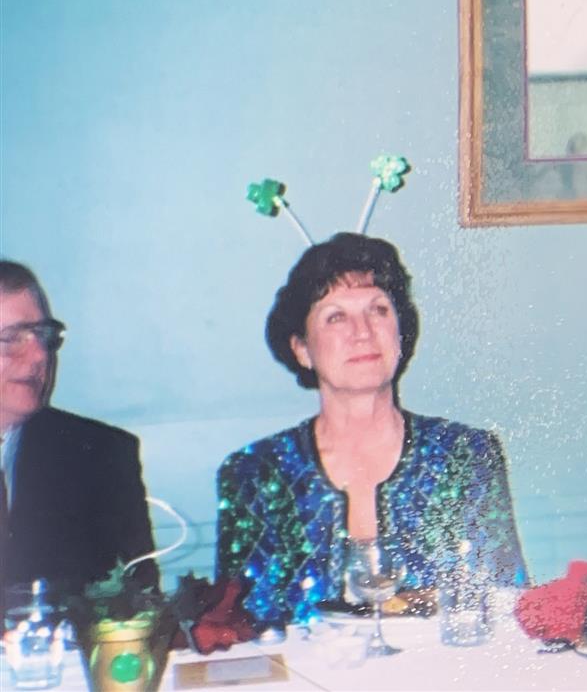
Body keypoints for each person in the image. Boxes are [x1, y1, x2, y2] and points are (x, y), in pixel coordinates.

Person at [216, 234, 526, 624]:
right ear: (302, 349)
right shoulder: (256, 473)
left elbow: (505, 602)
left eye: (378, 310)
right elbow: (235, 629)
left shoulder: (465, 455)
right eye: (335, 317)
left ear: (400, 333)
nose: (362, 331)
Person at [0, 261, 157, 596]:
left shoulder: (101, 455)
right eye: (12, 339)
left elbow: (137, 605)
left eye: (44, 335)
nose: (40, 355)